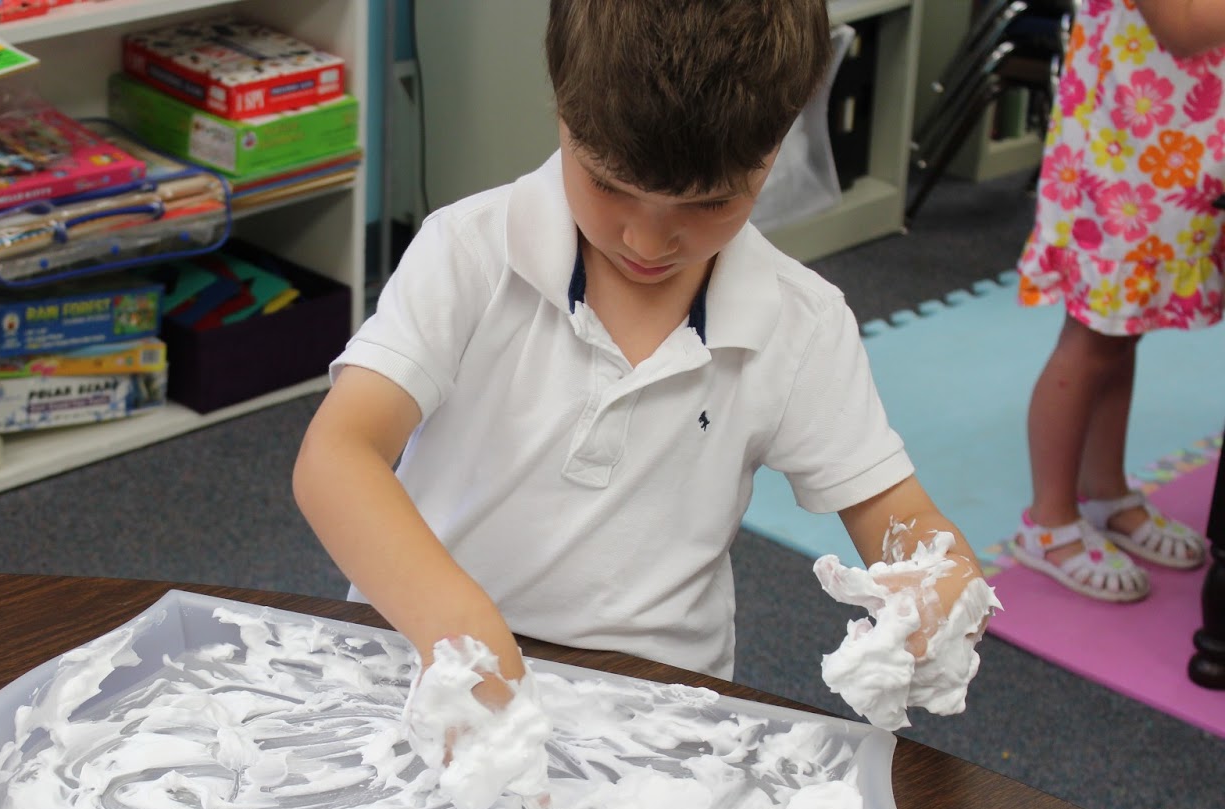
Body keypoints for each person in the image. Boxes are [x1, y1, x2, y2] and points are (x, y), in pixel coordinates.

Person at [294, 0, 988, 697]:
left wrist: (937, 581)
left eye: (708, 203)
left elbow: (895, 512)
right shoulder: (470, 252)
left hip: (659, 701)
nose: (648, 243)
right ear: (561, 106)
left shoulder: (800, 324)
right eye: (609, 187)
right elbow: (338, 455)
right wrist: (450, 618)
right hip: (425, 656)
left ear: (776, 145)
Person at [1012, 0, 1225, 601]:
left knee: (1121, 330)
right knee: (1093, 336)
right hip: (1124, 152)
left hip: (1175, 145)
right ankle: (1048, 522)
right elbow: (1180, 27)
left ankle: (1104, 490)